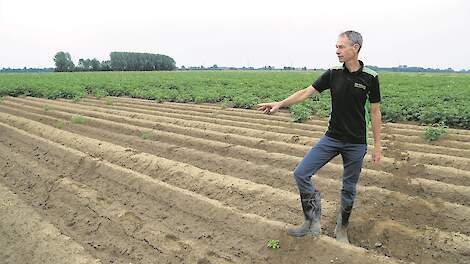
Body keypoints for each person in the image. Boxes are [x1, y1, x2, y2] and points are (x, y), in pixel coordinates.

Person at [257, 30, 382, 243]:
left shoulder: (370, 77)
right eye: (336, 46)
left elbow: (375, 111)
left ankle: (342, 228)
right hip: (332, 138)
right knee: (301, 173)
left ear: (356, 48)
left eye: (341, 47)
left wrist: (377, 145)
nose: (337, 51)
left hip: (356, 143)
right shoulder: (333, 73)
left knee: (349, 188)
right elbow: (306, 92)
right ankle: (311, 220)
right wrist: (280, 103)